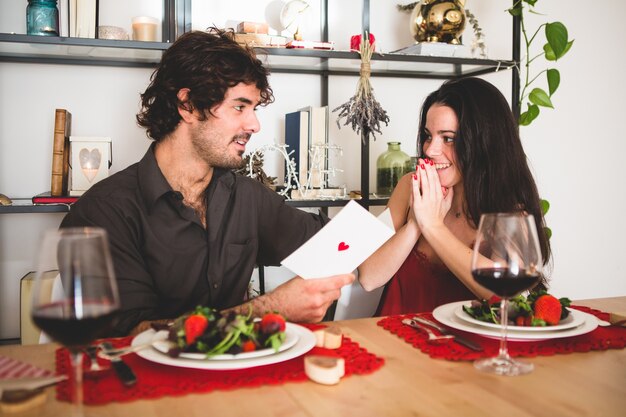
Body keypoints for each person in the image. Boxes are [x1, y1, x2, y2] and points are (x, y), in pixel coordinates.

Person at [60, 28, 354, 336]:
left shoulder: (245, 196)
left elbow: (337, 244)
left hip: (242, 378)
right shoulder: (102, 214)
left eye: (253, 109)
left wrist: (404, 210)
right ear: (187, 105)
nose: (254, 125)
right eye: (240, 107)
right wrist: (269, 309)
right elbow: (130, 338)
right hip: (154, 384)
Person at [358, 77, 551, 315]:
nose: (430, 149)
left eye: (448, 138)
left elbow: (505, 299)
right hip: (391, 341)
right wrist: (415, 225)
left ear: (483, 143)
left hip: (462, 349)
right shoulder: (410, 187)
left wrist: (433, 227)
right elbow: (368, 276)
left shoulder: (510, 214)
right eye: (428, 135)